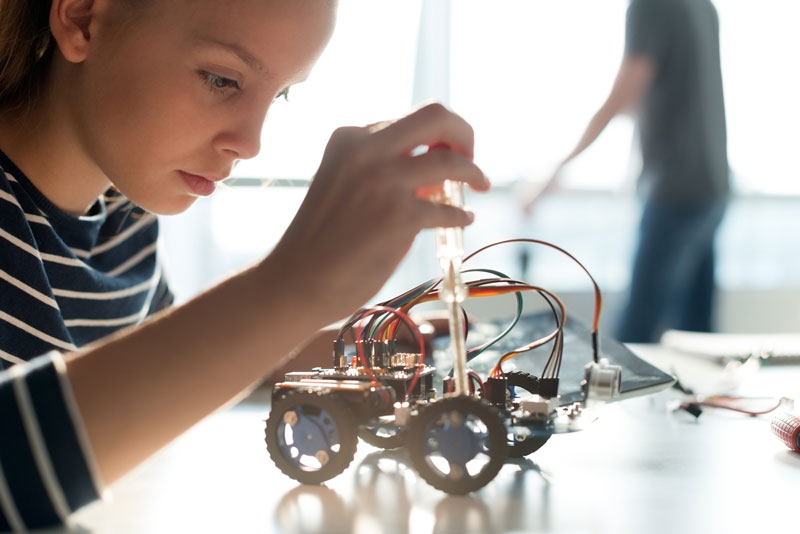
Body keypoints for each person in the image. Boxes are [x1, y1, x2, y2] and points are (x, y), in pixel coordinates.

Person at [0, 0, 490, 530]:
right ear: (82, 19)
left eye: (278, 95)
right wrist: (294, 286)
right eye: (221, 80)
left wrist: (335, 349)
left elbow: (145, 385)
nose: (251, 144)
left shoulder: (123, 223)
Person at [521, 0, 729, 343]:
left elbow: (625, 92)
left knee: (635, 333)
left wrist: (556, 169)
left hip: (676, 189)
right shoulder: (701, 6)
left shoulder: (651, 5)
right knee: (699, 336)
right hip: (713, 185)